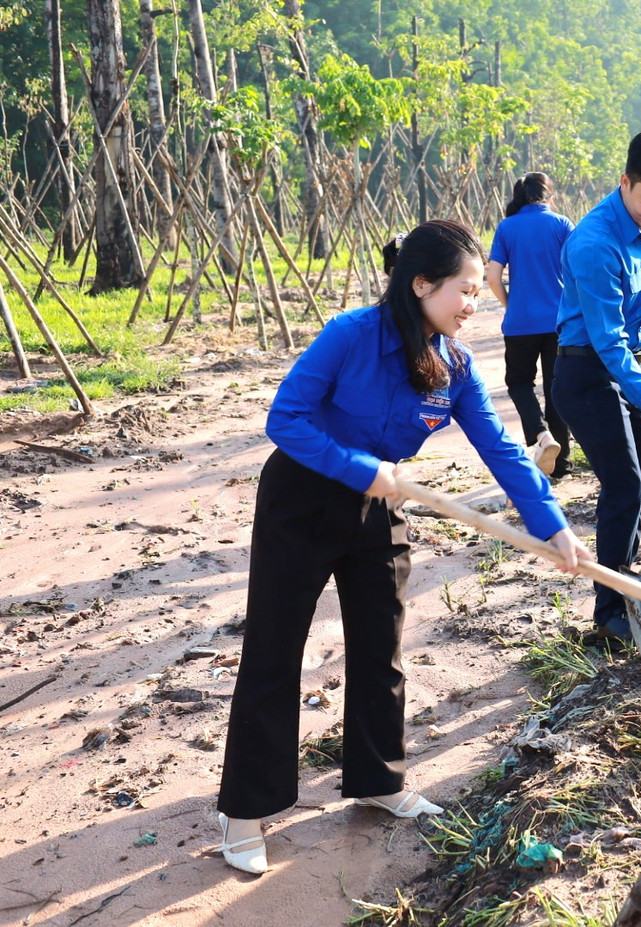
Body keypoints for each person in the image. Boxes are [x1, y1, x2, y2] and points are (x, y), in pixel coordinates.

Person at [215, 219, 592, 875]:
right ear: (421, 284)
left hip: (378, 506)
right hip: (302, 497)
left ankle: (378, 778)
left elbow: (503, 450)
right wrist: (359, 468)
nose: (474, 303)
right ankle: (244, 810)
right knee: (276, 649)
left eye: (478, 291)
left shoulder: (456, 365)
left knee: (379, 642)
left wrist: (550, 523)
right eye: (465, 290)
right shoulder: (349, 335)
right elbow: (285, 419)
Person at [551, 129, 641, 644]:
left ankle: (626, 585)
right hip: (587, 372)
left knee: (636, 486)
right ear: (625, 183)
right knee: (626, 484)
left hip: (624, 367)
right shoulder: (594, 243)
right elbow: (608, 344)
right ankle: (608, 613)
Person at [485, 172, 575, 478]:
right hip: (560, 323)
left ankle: (540, 435)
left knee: (519, 383)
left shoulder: (507, 227)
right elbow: (579, 267)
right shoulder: (562, 224)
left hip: (520, 323)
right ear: (549, 195)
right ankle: (561, 465)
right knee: (556, 389)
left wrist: (511, 304)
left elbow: (492, 277)